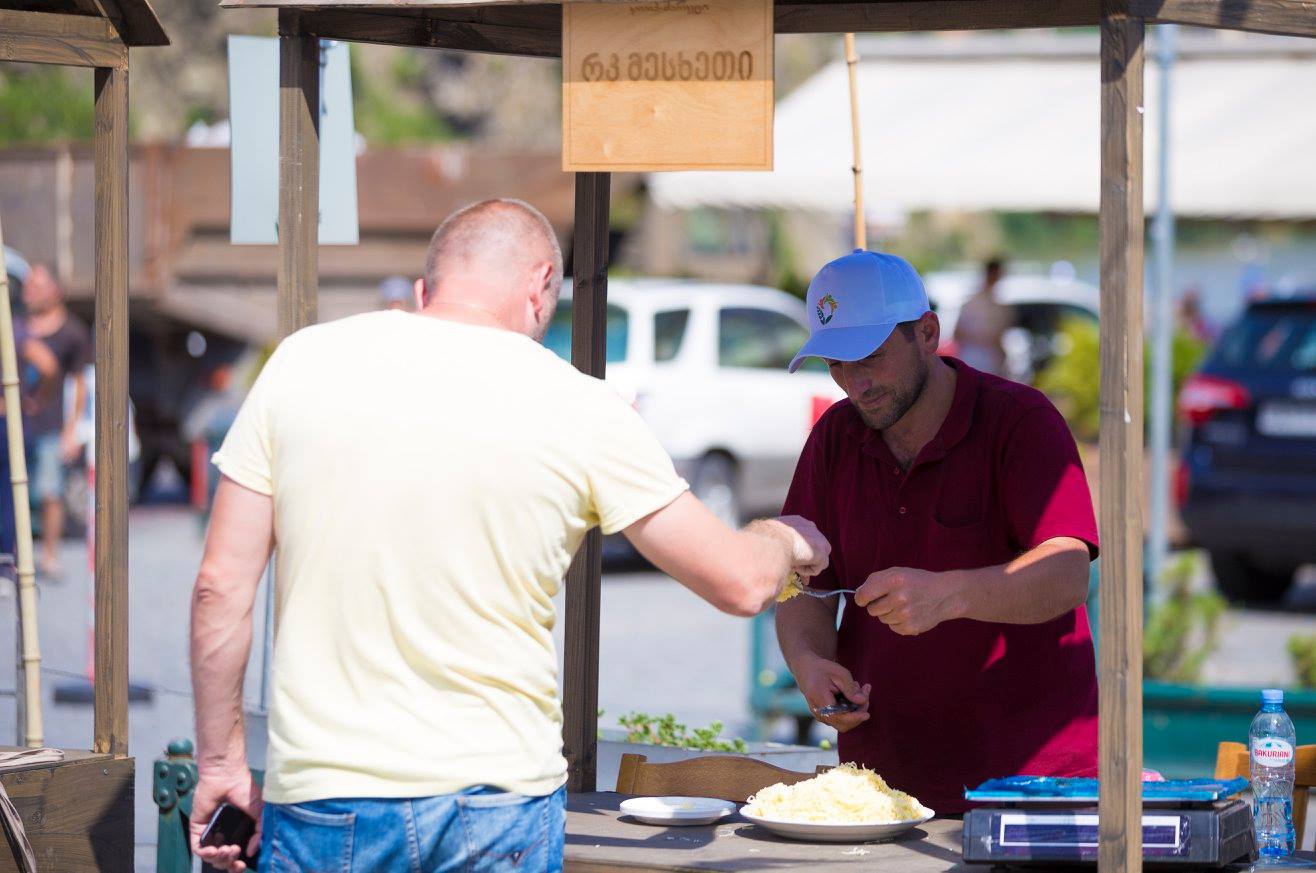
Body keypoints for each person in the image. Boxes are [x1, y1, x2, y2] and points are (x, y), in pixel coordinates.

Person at [190, 199, 830, 873]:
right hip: (497, 798)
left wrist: (222, 763)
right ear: (541, 284)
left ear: (425, 290)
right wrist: (787, 539)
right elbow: (739, 582)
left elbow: (219, 588)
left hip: (327, 794)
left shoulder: (302, 363)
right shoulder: (579, 404)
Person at [778, 249, 1099, 815]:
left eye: (870, 356)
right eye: (835, 364)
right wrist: (809, 664)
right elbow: (803, 587)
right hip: (882, 788)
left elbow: (1068, 572)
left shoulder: (1020, 420)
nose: (855, 382)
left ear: (928, 333)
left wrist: (948, 594)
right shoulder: (834, 437)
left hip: (1032, 785)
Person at [20, 265, 91, 578]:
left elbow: (79, 383)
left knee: (50, 491)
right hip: (17, 424)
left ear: (55, 291)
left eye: (37, 287)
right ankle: (16, 555)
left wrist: (72, 429)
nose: (30, 292)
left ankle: (50, 554)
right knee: (15, 493)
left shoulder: (71, 332)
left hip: (51, 425)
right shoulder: (18, 326)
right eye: (28, 286)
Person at [952, 257, 1013, 376]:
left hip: (980, 362)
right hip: (980, 362)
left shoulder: (993, 303)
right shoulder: (985, 304)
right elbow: (958, 333)